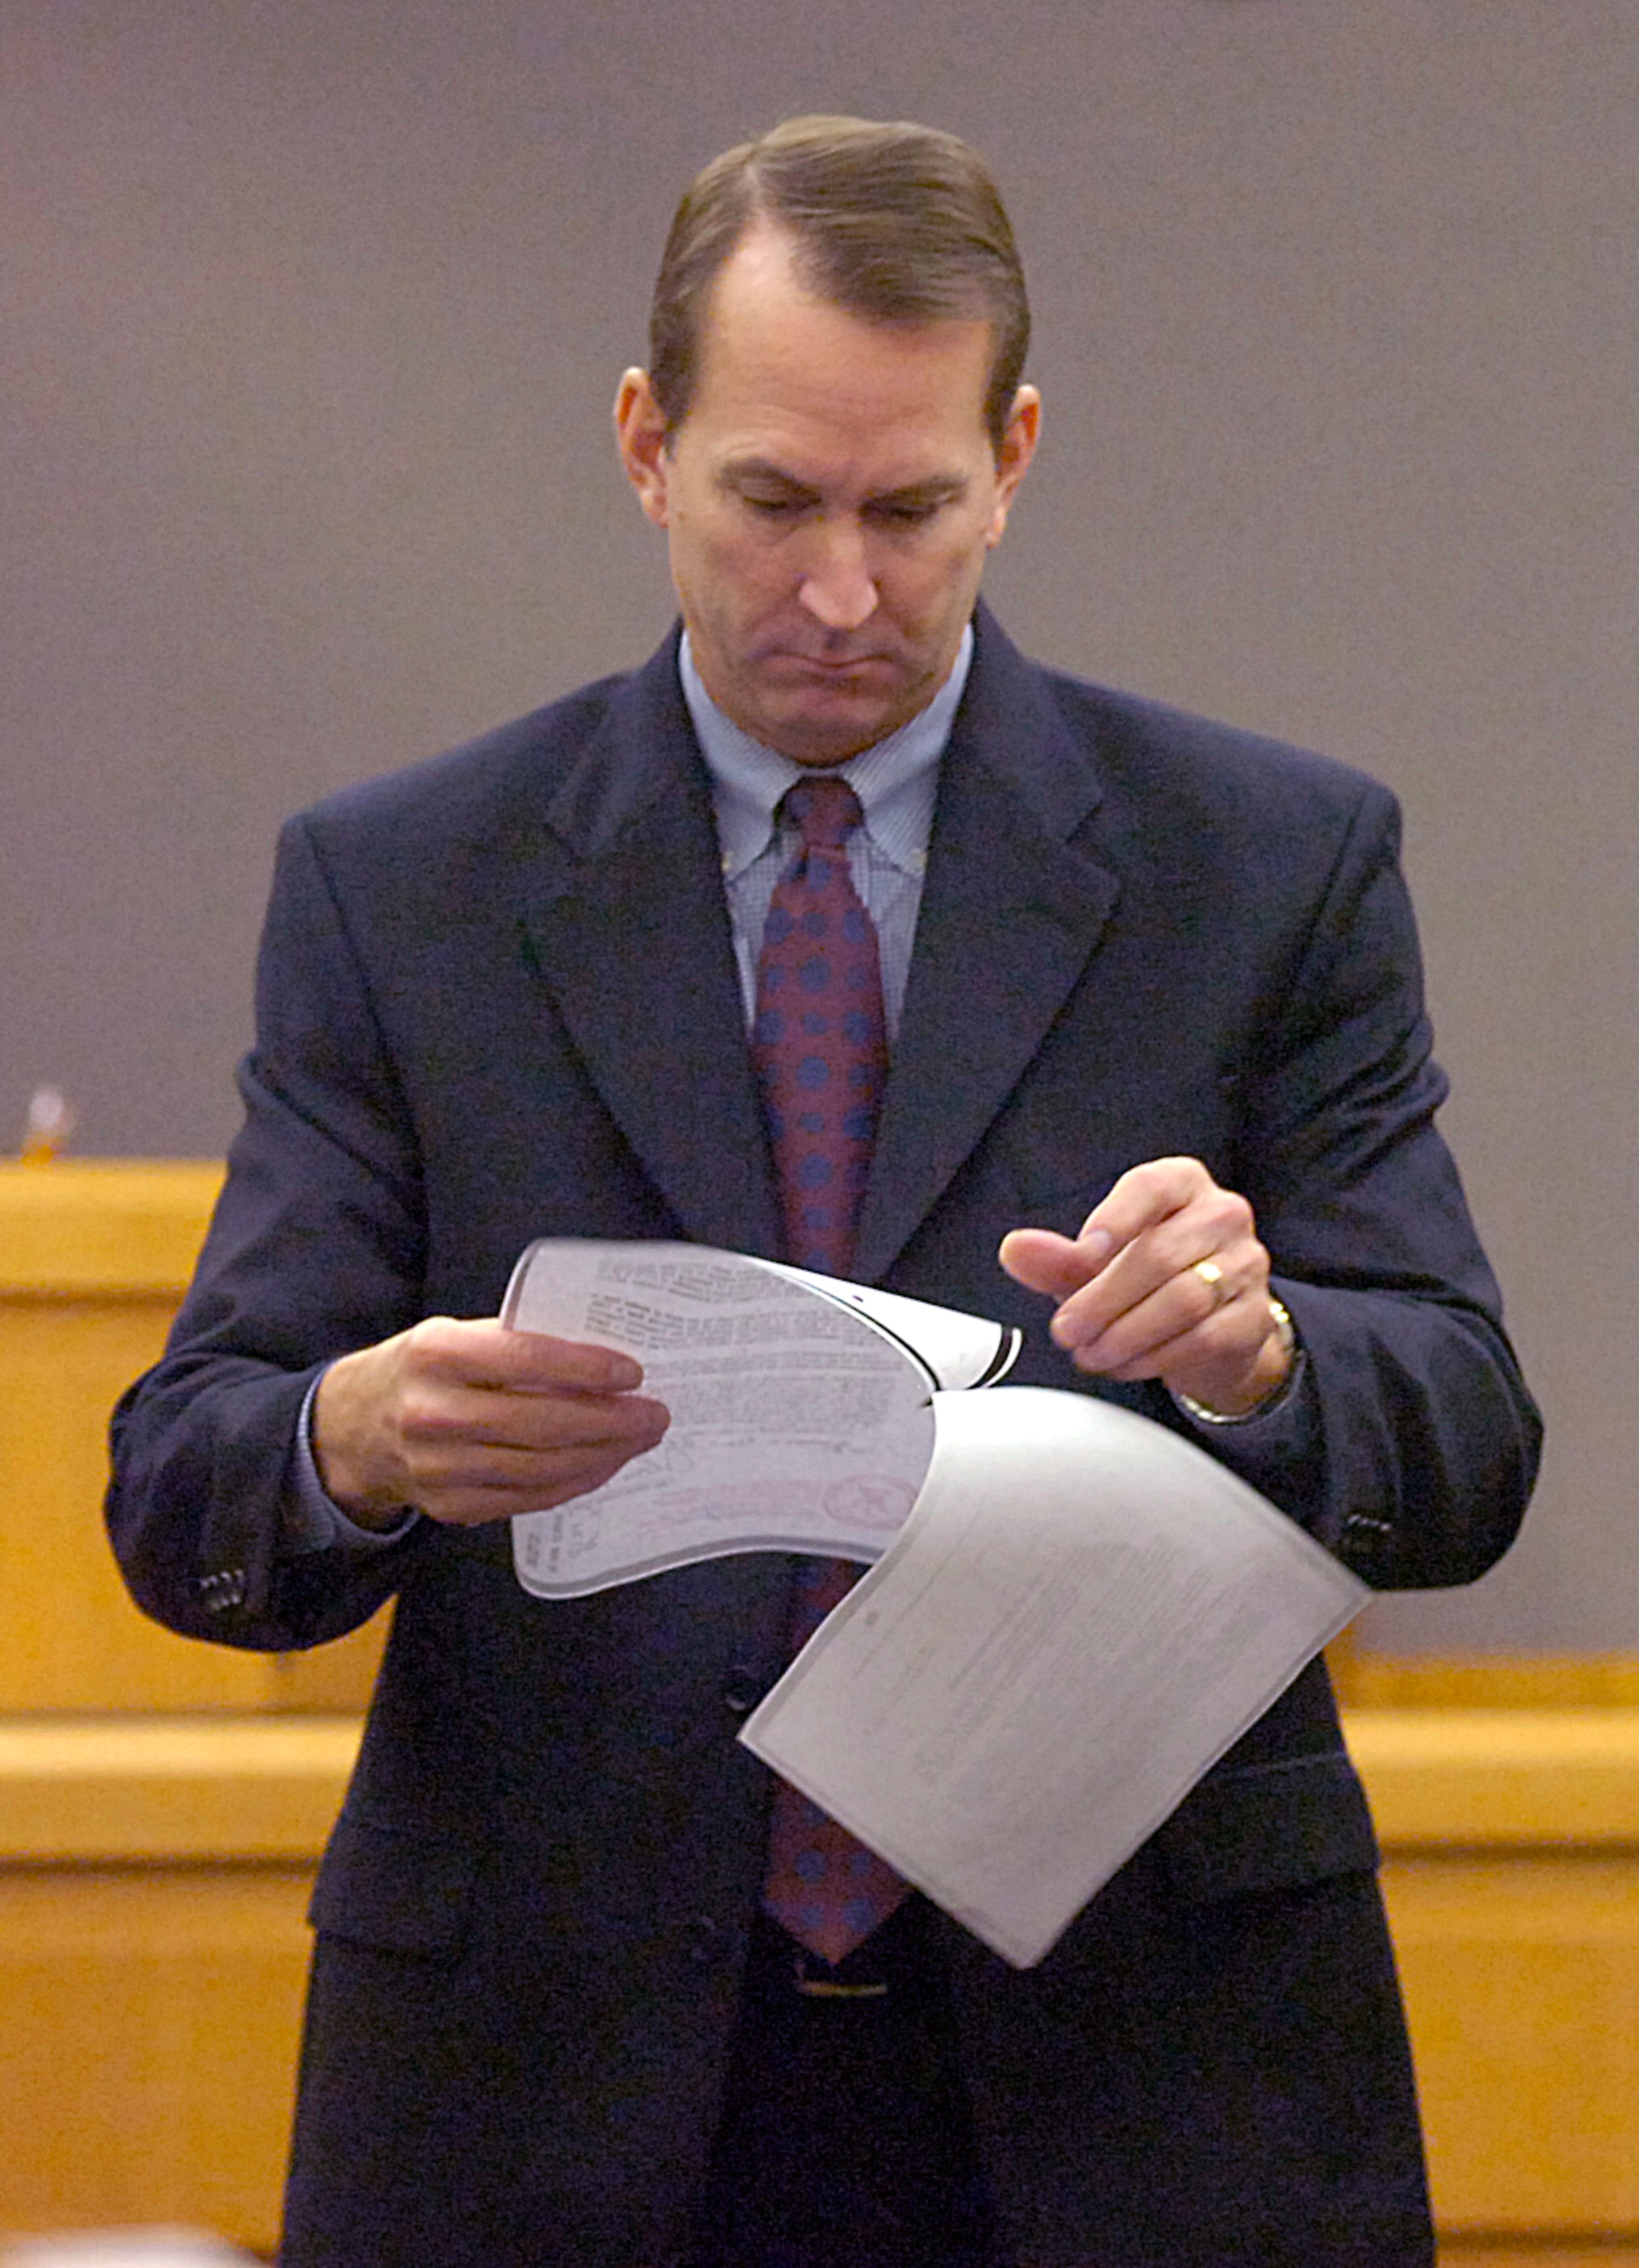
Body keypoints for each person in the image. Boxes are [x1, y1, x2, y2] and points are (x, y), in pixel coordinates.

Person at [107, 115, 1540, 2268]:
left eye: (912, 509)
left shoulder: (1266, 864)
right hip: (554, 2084)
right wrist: (359, 1437)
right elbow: (183, 1487)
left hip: (1141, 2083)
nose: (843, 594)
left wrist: (1266, 1362)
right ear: (645, 445)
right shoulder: (403, 889)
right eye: (773, 502)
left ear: (1016, 459)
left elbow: (1468, 1447)